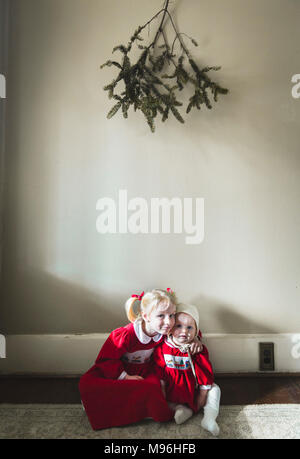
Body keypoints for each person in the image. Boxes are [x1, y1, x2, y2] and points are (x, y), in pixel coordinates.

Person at [79, 288, 178, 430]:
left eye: (172, 315)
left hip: (145, 370)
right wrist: (124, 377)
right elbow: (107, 359)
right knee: (86, 383)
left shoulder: (165, 332)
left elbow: (187, 329)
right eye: (161, 316)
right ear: (146, 316)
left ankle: (145, 409)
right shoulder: (126, 334)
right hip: (119, 370)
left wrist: (196, 341)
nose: (168, 322)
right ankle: (98, 404)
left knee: (152, 387)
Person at [153, 303, 221, 436]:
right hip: (172, 389)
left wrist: (202, 394)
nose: (184, 331)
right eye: (179, 326)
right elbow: (159, 371)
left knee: (215, 390)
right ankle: (181, 409)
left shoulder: (196, 349)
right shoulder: (163, 348)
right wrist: (162, 394)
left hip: (193, 390)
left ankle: (209, 418)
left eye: (190, 328)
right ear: (170, 328)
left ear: (196, 331)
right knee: (158, 393)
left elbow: (204, 372)